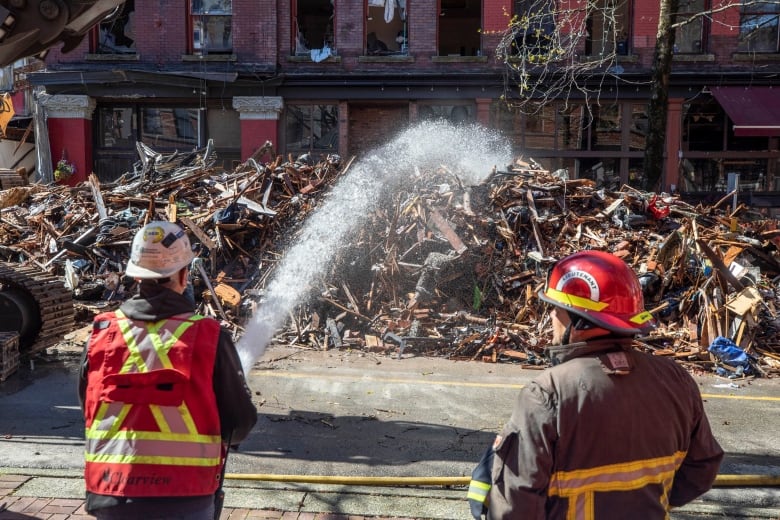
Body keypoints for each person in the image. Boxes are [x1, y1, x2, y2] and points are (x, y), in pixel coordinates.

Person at [470, 250, 724, 519]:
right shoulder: (676, 379)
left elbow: (515, 506)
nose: (552, 320)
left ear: (579, 320)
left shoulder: (547, 393)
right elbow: (702, 467)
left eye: (557, 309)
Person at [78, 221, 257, 520]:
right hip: (186, 498)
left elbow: (89, 407)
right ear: (184, 274)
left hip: (110, 494)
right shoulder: (209, 336)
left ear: (135, 275)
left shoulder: (102, 333)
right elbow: (239, 422)